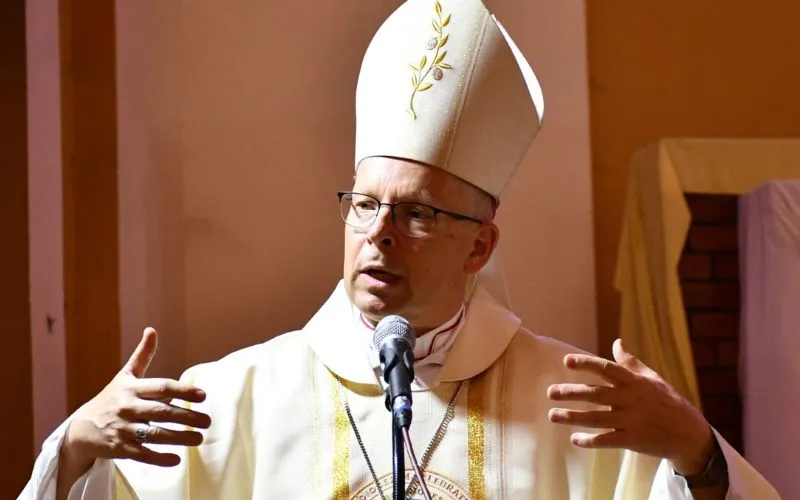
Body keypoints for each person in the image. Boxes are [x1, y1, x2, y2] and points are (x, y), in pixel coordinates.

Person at [21, 0, 778, 498]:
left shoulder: (574, 410)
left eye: (416, 213)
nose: (378, 232)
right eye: (364, 204)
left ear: (479, 246)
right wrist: (77, 446)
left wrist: (698, 451)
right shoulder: (238, 398)